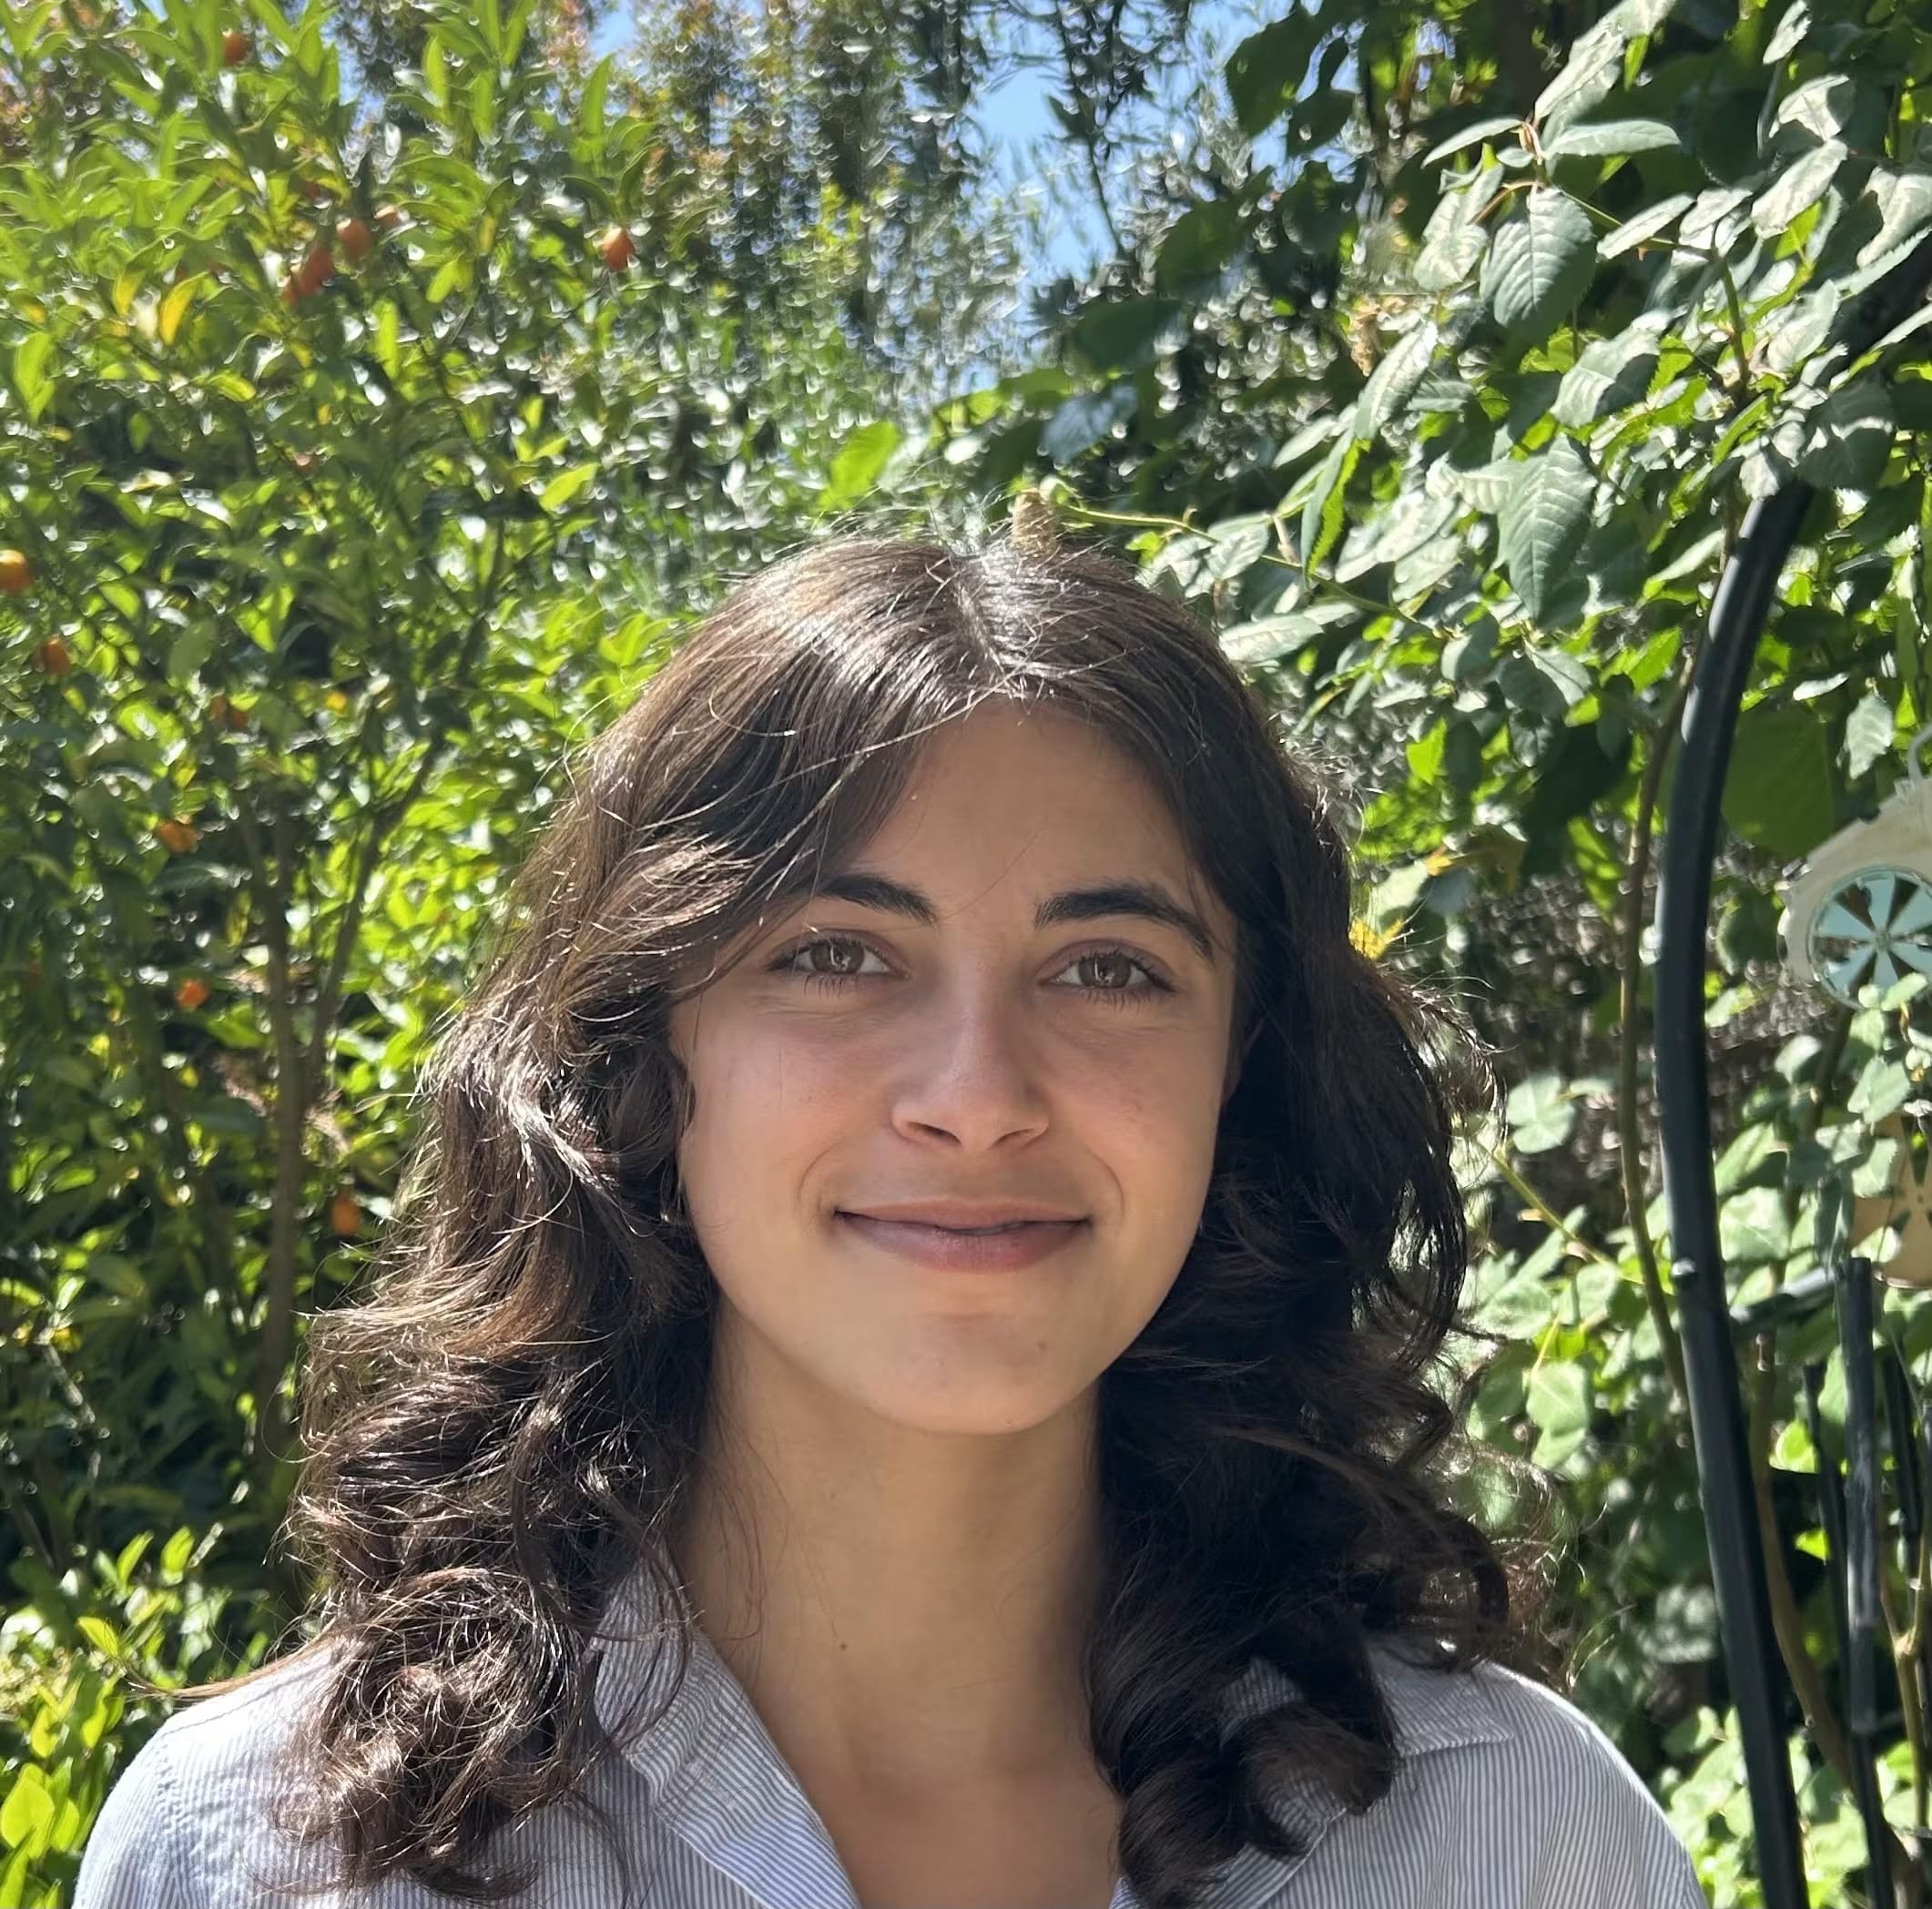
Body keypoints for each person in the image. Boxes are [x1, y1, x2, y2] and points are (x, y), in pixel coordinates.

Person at [73, 529, 1707, 1908]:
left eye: (1109, 968)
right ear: (645, 1048)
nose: (977, 1092)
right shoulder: (278, 1852)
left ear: (1242, 1070)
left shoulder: (1515, 1840)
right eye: (837, 953)